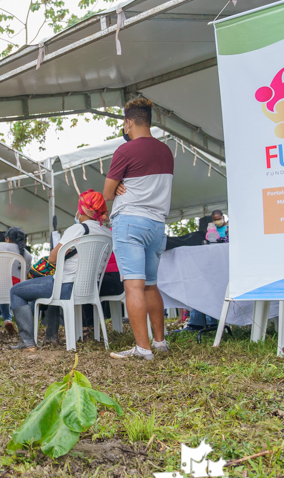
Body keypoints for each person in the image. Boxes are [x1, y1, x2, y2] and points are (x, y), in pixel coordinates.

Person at [103, 97, 173, 361]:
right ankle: (160, 342)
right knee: (151, 286)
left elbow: (107, 194)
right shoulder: (165, 151)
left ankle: (143, 349)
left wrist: (119, 184)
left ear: (128, 122)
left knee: (133, 286)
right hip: (157, 224)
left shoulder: (125, 151)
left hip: (130, 221)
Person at [10, 190, 113, 350]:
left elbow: (52, 258)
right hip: (91, 288)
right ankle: (50, 336)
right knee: (54, 281)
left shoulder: (77, 229)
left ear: (83, 210)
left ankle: (27, 342)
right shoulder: (106, 233)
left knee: (16, 291)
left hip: (66, 287)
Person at [0, 226, 32, 335]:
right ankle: (14, 321)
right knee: (10, 285)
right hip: (17, 288)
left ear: (7, 239)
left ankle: (6, 319)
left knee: (2, 283)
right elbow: (24, 274)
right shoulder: (27, 255)